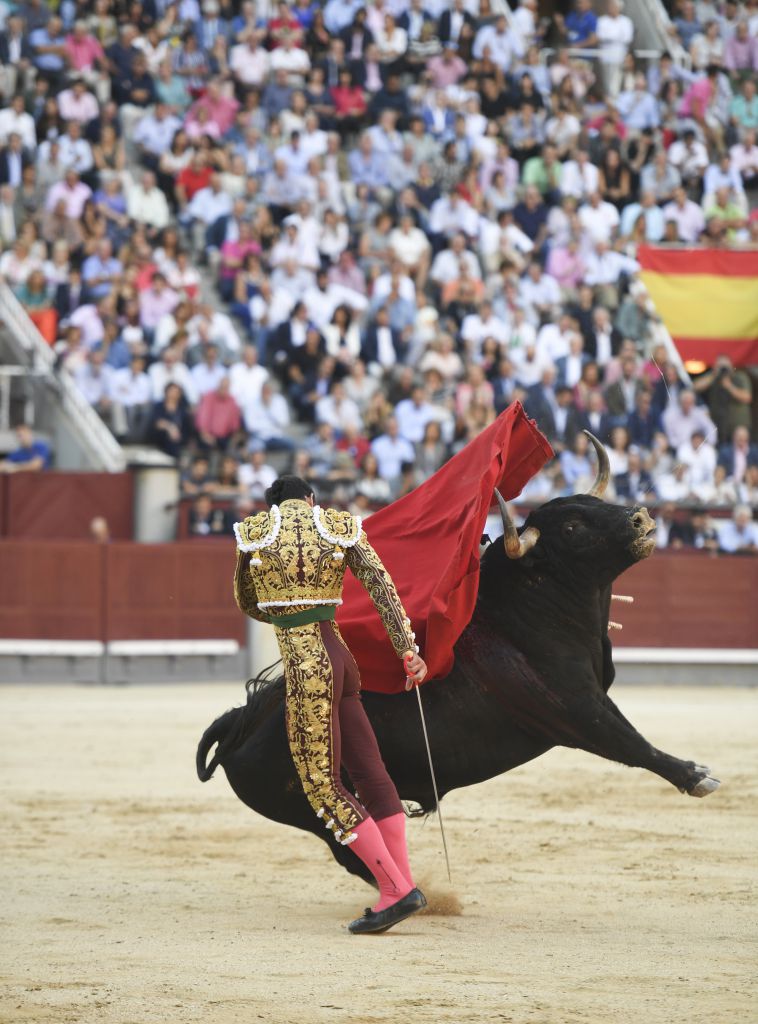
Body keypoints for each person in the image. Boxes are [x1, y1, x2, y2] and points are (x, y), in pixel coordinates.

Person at [233, 474, 427, 934]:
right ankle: (401, 882)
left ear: (273, 504)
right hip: (341, 658)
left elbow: (247, 600)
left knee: (323, 784)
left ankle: (396, 890)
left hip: (307, 665)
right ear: (311, 499)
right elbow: (382, 587)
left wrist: (284, 610)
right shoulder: (338, 525)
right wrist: (407, 649)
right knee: (370, 771)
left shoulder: (255, 533)